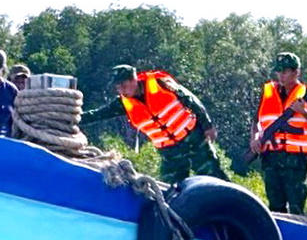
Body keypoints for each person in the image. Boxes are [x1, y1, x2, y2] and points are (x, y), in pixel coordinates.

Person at [82, 64, 226, 183]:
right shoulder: (122, 103)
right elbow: (98, 114)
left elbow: (190, 99)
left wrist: (208, 125)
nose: (121, 91)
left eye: (124, 85)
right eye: (118, 88)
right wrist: (74, 117)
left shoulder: (159, 83)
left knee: (215, 178)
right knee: (171, 190)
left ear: (134, 80)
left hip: (194, 140)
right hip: (170, 153)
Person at [249, 51, 307, 215]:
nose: (280, 75)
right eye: (278, 71)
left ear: (296, 72)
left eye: (284, 71)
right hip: (271, 160)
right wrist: (255, 138)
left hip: (295, 162)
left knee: (296, 209)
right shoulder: (267, 92)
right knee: (275, 209)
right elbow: (257, 121)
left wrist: (304, 113)